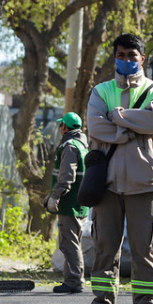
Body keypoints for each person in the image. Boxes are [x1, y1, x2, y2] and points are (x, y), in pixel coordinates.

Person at [75, 33, 153, 304]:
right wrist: (128, 128)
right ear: (114, 57)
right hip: (108, 183)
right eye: (121, 55)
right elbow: (96, 128)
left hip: (146, 182)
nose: (126, 60)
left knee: (145, 250)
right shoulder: (100, 91)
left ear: (143, 59)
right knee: (105, 249)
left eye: (132, 55)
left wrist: (116, 116)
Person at [44, 111, 89, 294]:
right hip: (80, 202)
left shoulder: (69, 146)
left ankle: (73, 281)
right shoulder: (83, 145)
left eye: (60, 125)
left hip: (70, 203)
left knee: (68, 243)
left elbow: (66, 177)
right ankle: (75, 279)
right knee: (73, 241)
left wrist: (55, 196)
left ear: (64, 127)